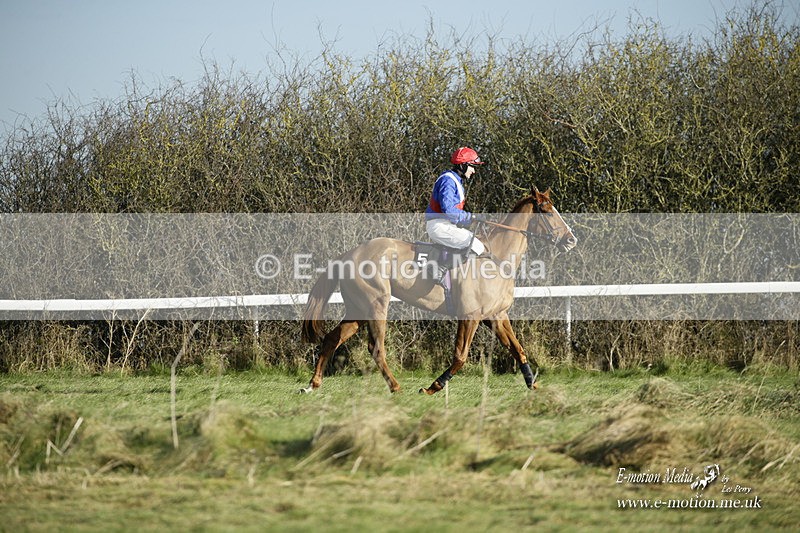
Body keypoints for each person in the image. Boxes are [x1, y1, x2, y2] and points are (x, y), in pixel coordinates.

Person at [425, 146, 487, 256]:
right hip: (439, 226)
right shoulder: (448, 180)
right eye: (472, 166)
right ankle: (441, 270)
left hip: (446, 225)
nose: (473, 171)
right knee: (477, 246)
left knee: (476, 241)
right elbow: (448, 210)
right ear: (462, 165)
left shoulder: (455, 180)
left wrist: (472, 221)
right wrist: (470, 217)